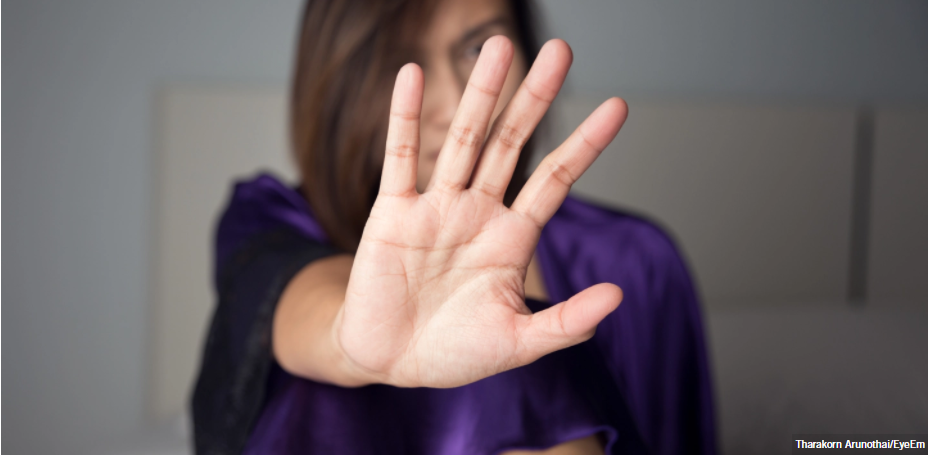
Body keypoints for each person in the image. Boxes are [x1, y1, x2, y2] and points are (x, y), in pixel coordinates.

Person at [192, 0, 716, 454]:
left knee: (512, 350)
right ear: (336, 76)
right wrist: (351, 345)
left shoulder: (634, 259)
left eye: (477, 49)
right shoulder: (270, 216)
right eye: (401, 60)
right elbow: (300, 304)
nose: (452, 102)